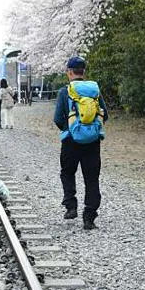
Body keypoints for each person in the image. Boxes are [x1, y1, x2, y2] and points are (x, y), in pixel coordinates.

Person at [53, 56, 108, 230]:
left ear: (69, 72)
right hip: (92, 142)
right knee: (91, 178)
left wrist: (70, 129)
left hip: (70, 141)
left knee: (67, 172)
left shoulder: (65, 91)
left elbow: (57, 118)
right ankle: (89, 217)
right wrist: (90, 129)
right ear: (83, 72)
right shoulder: (94, 90)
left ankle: (71, 206)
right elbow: (104, 115)